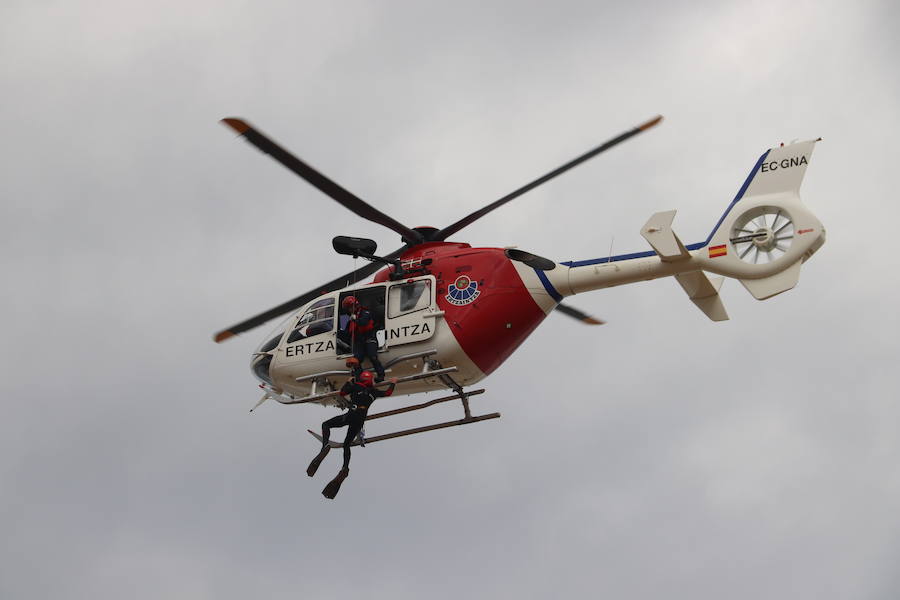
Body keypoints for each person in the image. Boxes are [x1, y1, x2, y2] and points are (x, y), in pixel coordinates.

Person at [307, 370, 398, 499]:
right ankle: (345, 468)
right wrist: (393, 382)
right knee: (346, 444)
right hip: (360, 419)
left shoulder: (356, 386)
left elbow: (342, 392)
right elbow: (388, 392)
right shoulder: (374, 392)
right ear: (370, 381)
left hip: (350, 415)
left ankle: (325, 447)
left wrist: (348, 382)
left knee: (326, 425)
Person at [341, 295, 386, 382]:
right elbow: (347, 333)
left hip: (369, 338)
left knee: (372, 356)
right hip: (359, 343)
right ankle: (359, 378)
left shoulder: (365, 312)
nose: (350, 310)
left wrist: (356, 320)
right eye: (348, 308)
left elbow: (364, 322)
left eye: (351, 307)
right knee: (355, 361)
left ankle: (381, 375)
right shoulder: (350, 321)